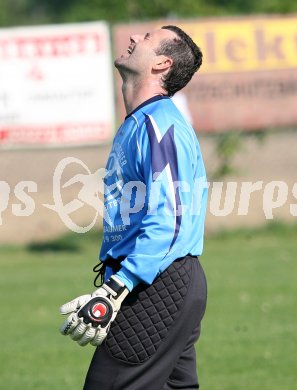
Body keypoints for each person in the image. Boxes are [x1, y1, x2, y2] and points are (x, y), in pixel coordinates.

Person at [59, 25, 208, 389]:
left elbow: (168, 219)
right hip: (160, 279)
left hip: (157, 282)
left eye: (145, 39)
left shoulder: (159, 124)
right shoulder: (140, 122)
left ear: (162, 63)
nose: (132, 39)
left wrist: (117, 287)